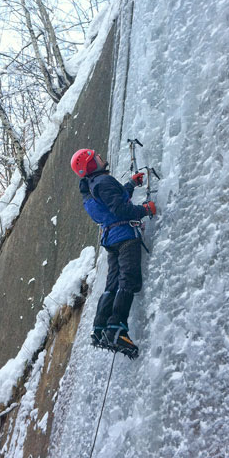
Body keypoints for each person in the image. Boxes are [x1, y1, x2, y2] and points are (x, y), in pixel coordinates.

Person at [70, 148, 157, 358]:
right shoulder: (103, 181)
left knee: (112, 284)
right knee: (129, 279)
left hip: (111, 239)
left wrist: (131, 184)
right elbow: (120, 208)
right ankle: (116, 327)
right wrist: (145, 210)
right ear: (91, 164)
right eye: (95, 156)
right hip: (124, 235)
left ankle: (100, 329)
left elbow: (111, 202)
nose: (100, 157)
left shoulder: (90, 188)